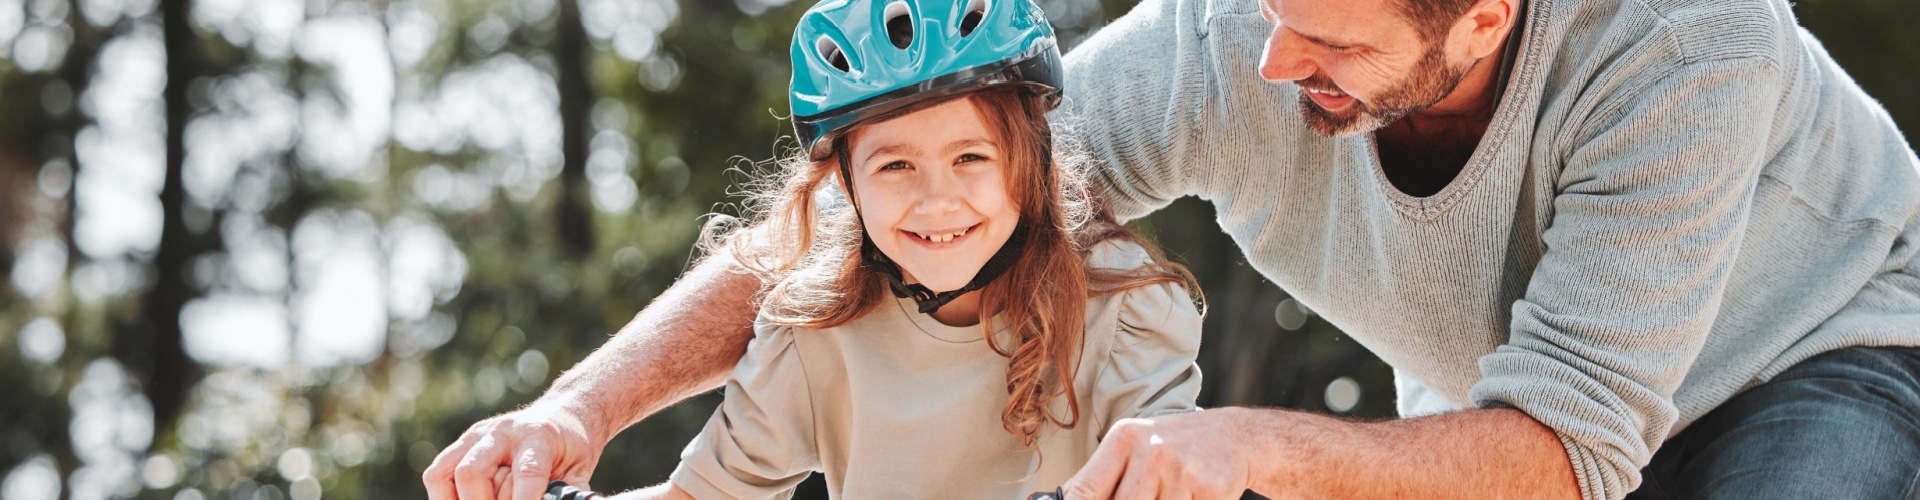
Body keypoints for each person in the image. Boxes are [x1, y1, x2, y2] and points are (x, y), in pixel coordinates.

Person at [426, 0, 1920, 497]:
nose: (1271, 68)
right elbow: (904, 228)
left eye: (1328, 39)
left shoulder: (1688, 48)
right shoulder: (1229, 39)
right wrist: (584, 409)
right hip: (1502, 408)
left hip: (1816, 346)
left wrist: (1240, 446)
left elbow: (1575, 449)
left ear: (1484, 20)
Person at [431, 0, 1208, 498]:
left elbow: (1171, 474)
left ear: (1030, 162)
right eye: (895, 165)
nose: (936, 200)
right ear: (843, 182)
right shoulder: (814, 335)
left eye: (972, 158)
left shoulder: (1126, 307)